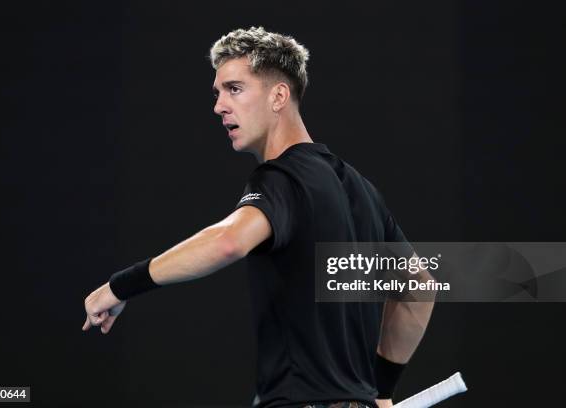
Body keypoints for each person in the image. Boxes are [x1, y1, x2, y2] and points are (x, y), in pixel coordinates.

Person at [82, 26, 434, 408]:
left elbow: (228, 241)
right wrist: (381, 392)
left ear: (279, 95)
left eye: (234, 89)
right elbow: (419, 289)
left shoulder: (282, 177)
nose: (219, 105)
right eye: (217, 93)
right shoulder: (363, 190)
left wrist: (120, 286)